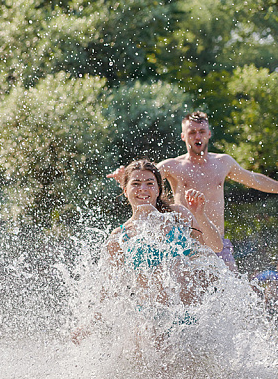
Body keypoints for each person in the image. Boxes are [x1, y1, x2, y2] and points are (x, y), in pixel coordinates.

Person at [74, 160, 223, 346]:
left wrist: (200, 214)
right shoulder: (120, 236)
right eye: (135, 184)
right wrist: (87, 324)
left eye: (149, 183)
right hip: (152, 322)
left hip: (191, 314)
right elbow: (108, 288)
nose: (142, 188)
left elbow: (216, 246)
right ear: (125, 189)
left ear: (158, 189)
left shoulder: (178, 215)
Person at [108, 111, 278, 270]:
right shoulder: (173, 166)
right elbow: (144, 185)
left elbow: (254, 179)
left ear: (209, 134)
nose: (197, 136)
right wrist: (125, 178)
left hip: (217, 242)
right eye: (192, 132)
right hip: (187, 245)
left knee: (235, 293)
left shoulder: (223, 163)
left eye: (202, 131)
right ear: (183, 136)